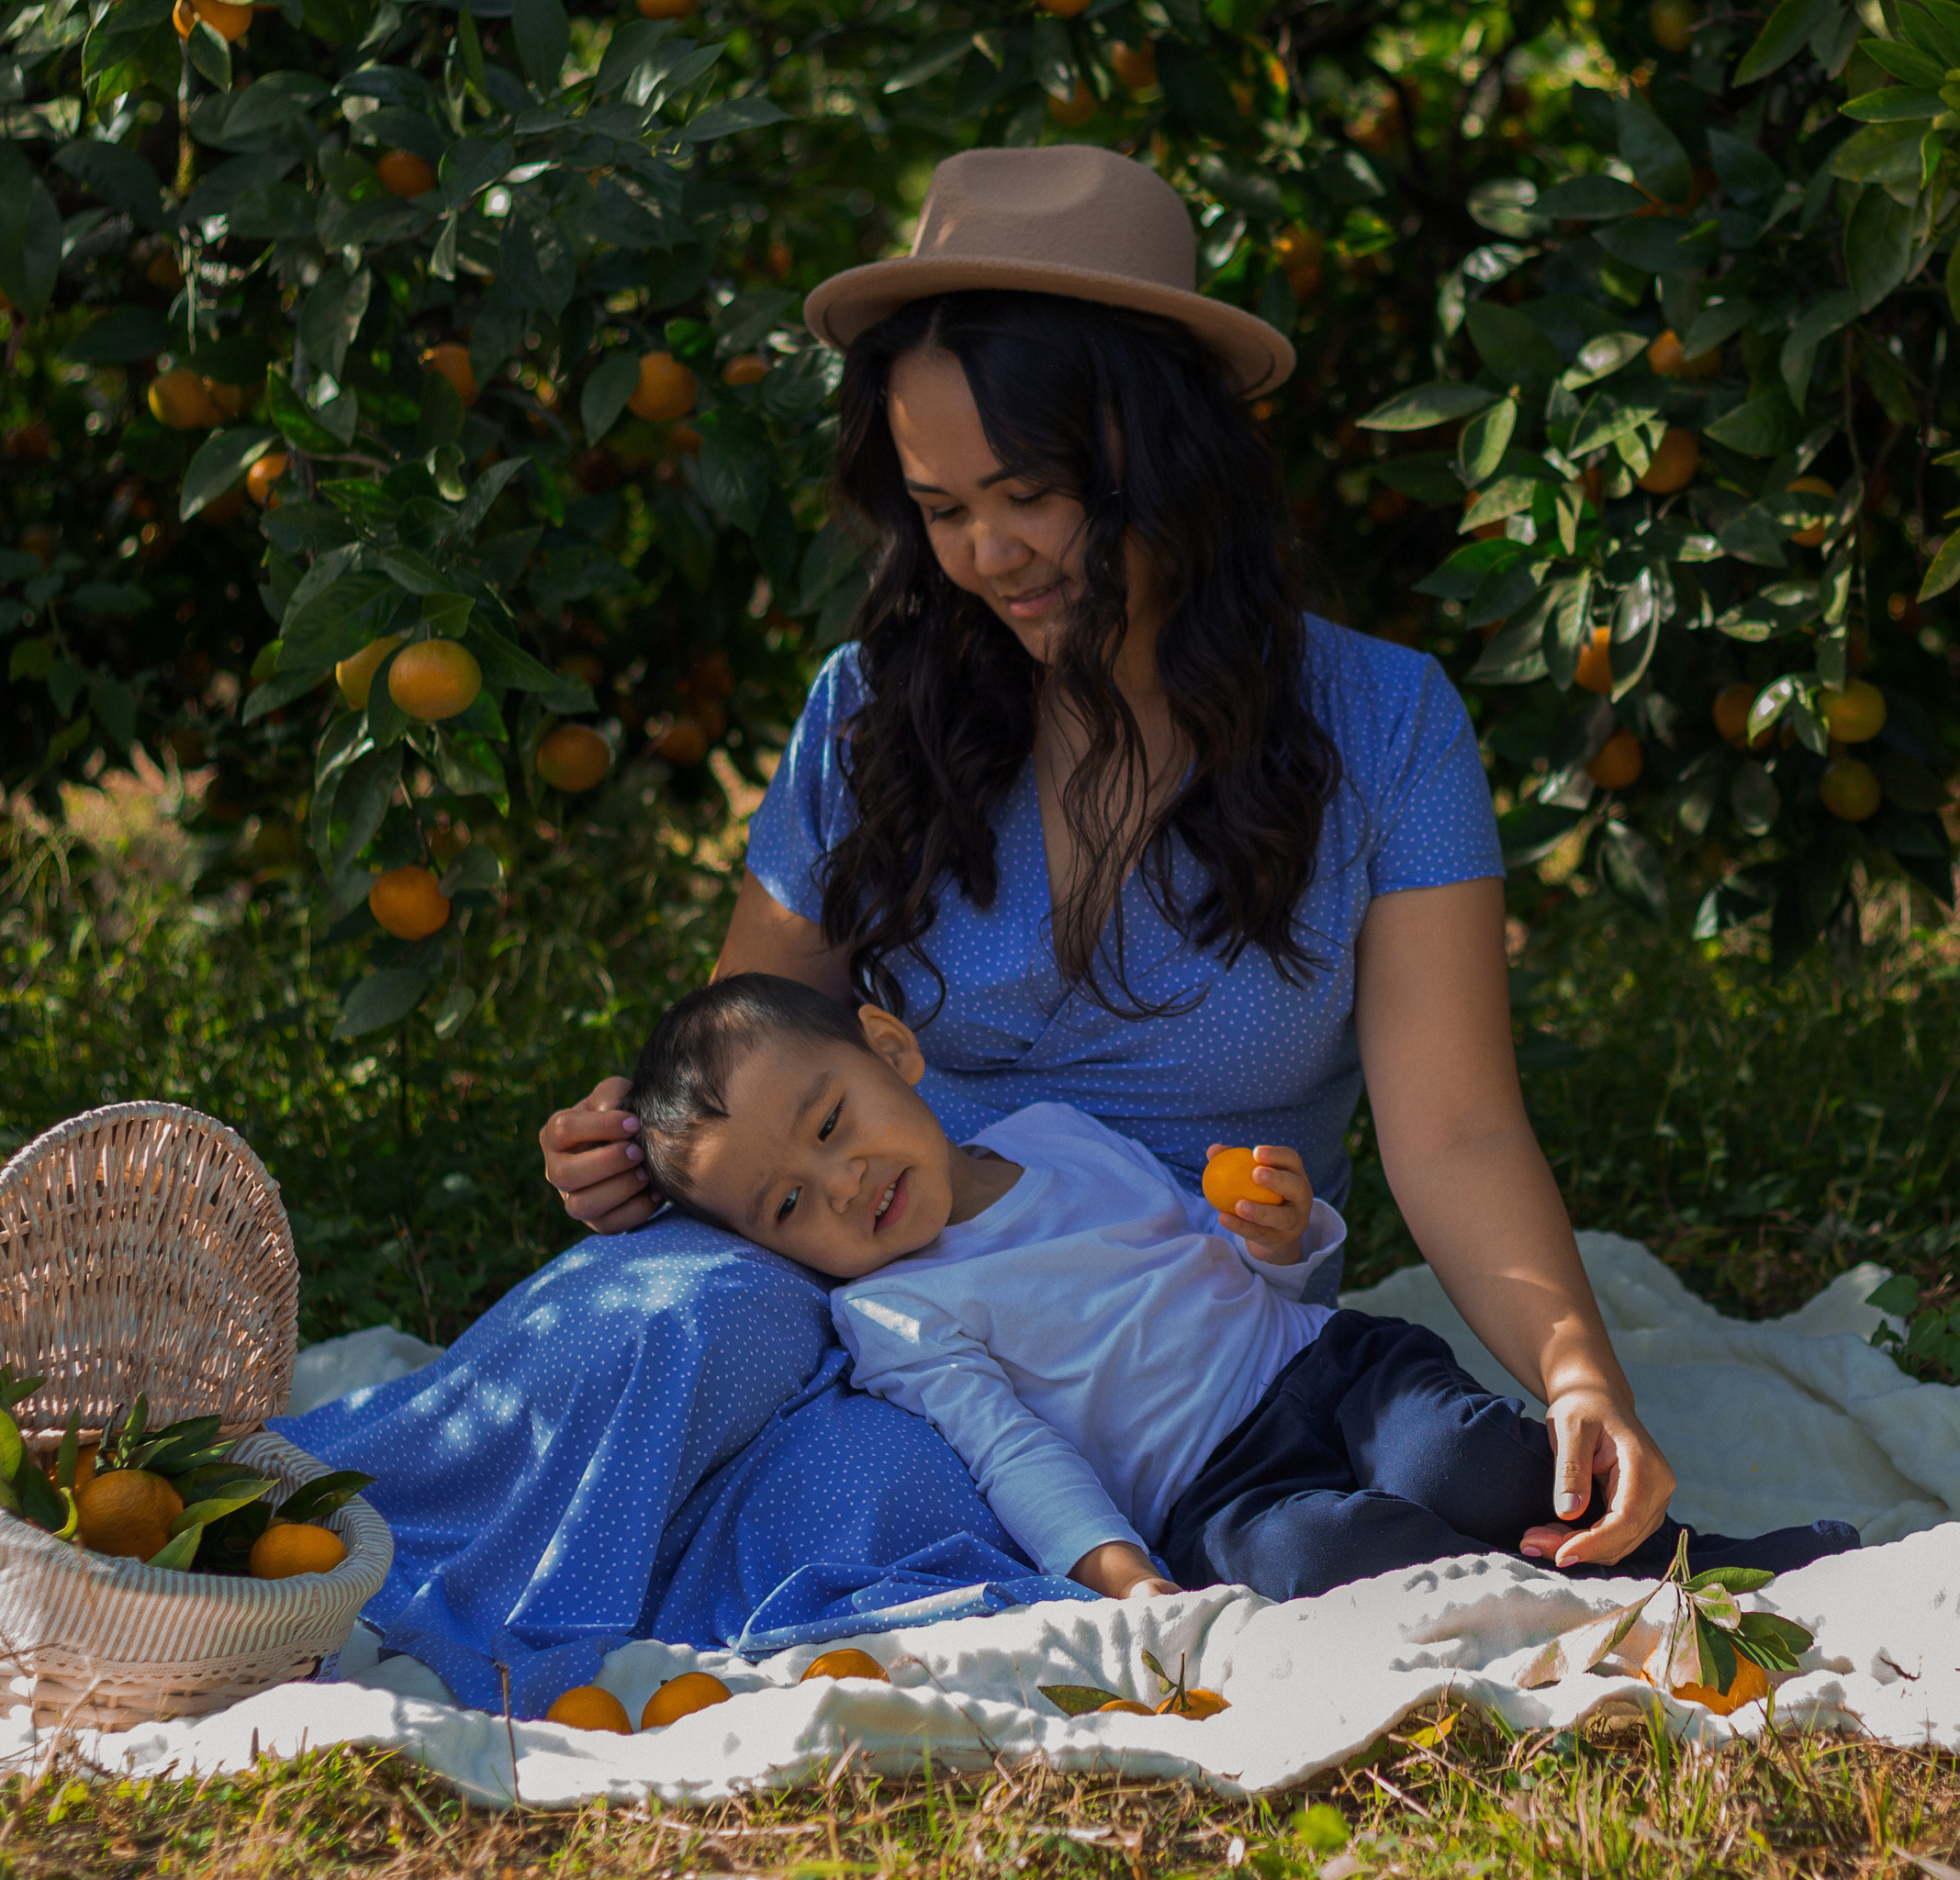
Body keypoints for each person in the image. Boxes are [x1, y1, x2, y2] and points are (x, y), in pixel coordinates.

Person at [282, 143, 1693, 1713]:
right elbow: (754, 1044)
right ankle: (285, 1546)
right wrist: (629, 1145)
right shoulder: (877, 711)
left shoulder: (1382, 727)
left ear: (1166, 458)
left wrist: (1579, 1375)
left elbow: (1458, 1134)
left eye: (1031, 495)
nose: (987, 556)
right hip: (882, 1276)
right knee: (670, 1322)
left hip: (1169, 1345)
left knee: (887, 1501)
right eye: (944, 507)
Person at [623, 973, 1857, 1600]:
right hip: (1211, 1491)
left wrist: (1284, 1233)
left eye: (833, 1122)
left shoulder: (1057, 1135)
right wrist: (1117, 1571)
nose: (841, 1185)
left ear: (893, 1050)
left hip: (1325, 1369)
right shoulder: (889, 1310)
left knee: (1465, 1465)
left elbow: (1237, 1269)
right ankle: (1573, 1616)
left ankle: (1714, 1565)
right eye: (789, 1205)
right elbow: (1009, 1453)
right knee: (1341, 1554)